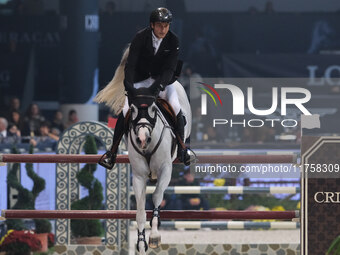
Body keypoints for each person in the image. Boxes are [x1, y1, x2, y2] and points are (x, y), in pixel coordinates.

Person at [99, 7, 191, 169]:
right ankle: (112, 153)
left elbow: (170, 68)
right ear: (152, 25)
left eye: (166, 25)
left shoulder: (173, 40)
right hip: (141, 82)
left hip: (163, 82)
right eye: (160, 25)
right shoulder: (140, 38)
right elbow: (131, 64)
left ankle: (183, 148)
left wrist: (159, 86)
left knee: (176, 108)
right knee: (126, 111)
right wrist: (129, 86)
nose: (163, 29)